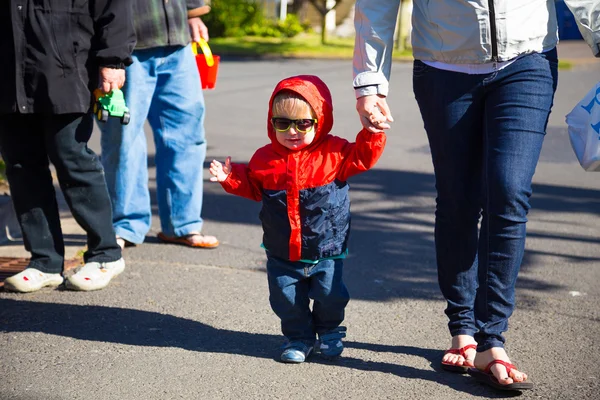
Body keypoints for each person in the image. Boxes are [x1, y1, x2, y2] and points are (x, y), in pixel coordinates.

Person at [353, 0, 599, 391]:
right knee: (458, 200)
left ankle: (491, 339)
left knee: (509, 189)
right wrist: (369, 82)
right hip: (443, 67)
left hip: (527, 60)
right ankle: (462, 328)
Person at [209, 75, 387, 363]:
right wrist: (230, 178)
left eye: (303, 123)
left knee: (330, 295)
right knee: (286, 300)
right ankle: (299, 337)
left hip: (325, 249)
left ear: (320, 120)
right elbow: (254, 187)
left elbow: (363, 156)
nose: (292, 131)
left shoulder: (334, 152)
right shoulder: (265, 159)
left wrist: (372, 133)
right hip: (281, 250)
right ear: (272, 123)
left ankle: (329, 331)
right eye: (283, 123)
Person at [0, 0, 135, 293]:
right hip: (9, 72)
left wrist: (113, 59)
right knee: (21, 164)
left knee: (71, 156)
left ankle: (105, 255)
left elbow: (113, 6)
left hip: (65, 67)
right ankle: (44, 262)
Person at [99, 0, 218, 250]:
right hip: (125, 45)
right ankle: (126, 225)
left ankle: (182, 225)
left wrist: (192, 13)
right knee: (123, 138)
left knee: (187, 136)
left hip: (177, 43)